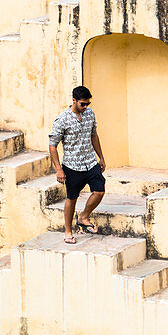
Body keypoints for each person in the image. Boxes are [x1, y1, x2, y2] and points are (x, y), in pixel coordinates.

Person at [48, 85, 106, 244]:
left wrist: (101, 157)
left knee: (99, 191)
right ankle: (67, 231)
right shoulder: (63, 119)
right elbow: (52, 145)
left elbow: (94, 135)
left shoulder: (90, 114)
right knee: (72, 198)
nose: (86, 107)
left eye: (87, 104)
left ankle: (84, 217)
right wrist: (58, 169)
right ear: (74, 100)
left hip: (90, 162)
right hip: (72, 166)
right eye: (82, 104)